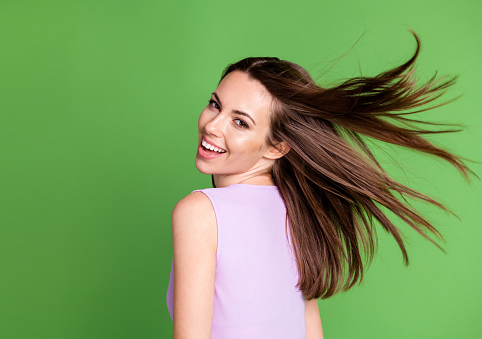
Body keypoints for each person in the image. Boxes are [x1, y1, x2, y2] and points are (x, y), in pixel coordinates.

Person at [165, 30, 476, 339]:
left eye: (241, 122)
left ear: (277, 147)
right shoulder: (296, 208)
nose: (211, 125)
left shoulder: (200, 213)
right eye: (215, 104)